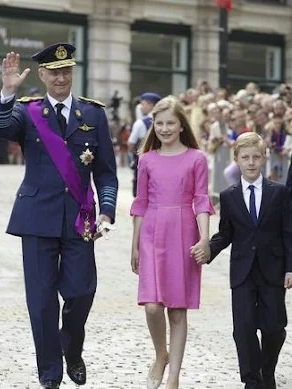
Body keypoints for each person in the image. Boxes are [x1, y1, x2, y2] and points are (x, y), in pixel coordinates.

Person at [0, 43, 118, 389]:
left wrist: (106, 211)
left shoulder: (93, 115)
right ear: (43, 75)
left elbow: (106, 171)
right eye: (53, 72)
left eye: (66, 71)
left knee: (81, 292)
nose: (60, 77)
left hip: (81, 219)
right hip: (36, 217)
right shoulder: (27, 111)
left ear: (72, 73)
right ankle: (50, 373)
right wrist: (6, 93)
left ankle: (71, 348)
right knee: (42, 300)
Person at [130, 96, 214, 389]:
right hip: (152, 233)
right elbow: (140, 203)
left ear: (181, 126)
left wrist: (204, 238)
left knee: (177, 310)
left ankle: (174, 378)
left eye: (170, 123)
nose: (164, 128)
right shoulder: (147, 160)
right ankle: (160, 354)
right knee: (152, 306)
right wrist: (135, 244)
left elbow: (201, 201)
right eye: (159, 123)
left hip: (183, 233)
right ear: (153, 125)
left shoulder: (196, 158)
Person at [205, 132, 292, 389]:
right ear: (237, 160)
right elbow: (226, 233)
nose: (251, 162)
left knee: (274, 327)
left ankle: (267, 371)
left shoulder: (279, 193)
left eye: (256, 157)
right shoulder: (229, 196)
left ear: (264, 159)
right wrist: (208, 250)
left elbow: (288, 231)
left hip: (273, 269)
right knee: (243, 329)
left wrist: (290, 267)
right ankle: (252, 380)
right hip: (242, 271)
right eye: (245, 157)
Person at [128, 92, 161, 197]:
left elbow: (131, 143)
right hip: (160, 162)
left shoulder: (140, 123)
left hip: (142, 162)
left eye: (143, 104)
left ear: (151, 105)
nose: (141, 107)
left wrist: (134, 156)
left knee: (139, 190)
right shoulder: (166, 121)